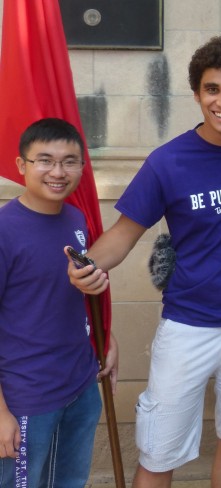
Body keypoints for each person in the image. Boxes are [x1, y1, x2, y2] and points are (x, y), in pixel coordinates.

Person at [67, 36, 221, 488]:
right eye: (212, 89)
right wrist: (85, 264)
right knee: (160, 451)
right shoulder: (167, 162)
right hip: (188, 326)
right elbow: (122, 235)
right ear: (196, 93)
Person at [0, 118, 118, 487]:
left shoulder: (76, 217)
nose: (58, 171)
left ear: (82, 167)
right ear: (22, 166)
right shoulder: (5, 230)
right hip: (25, 399)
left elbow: (74, 293)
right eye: (45, 160)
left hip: (79, 385)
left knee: (69, 482)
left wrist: (104, 335)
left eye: (69, 161)